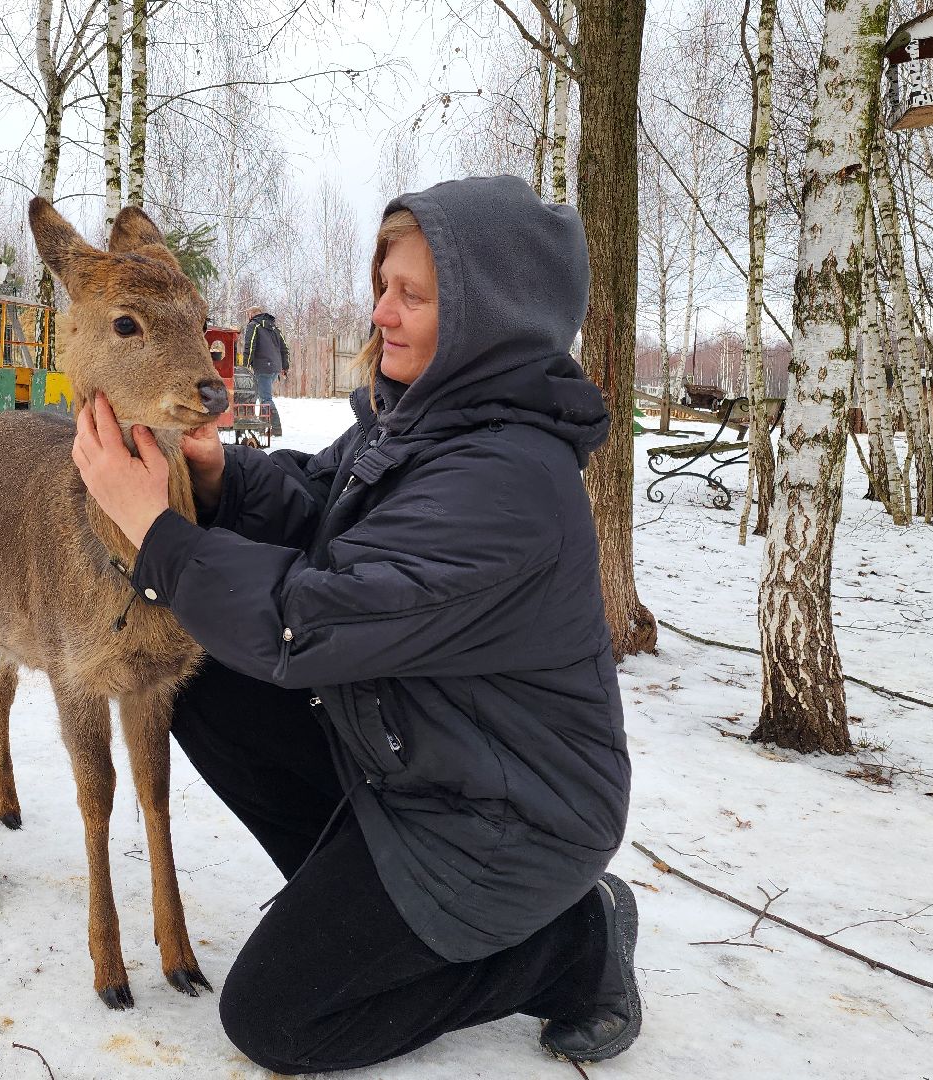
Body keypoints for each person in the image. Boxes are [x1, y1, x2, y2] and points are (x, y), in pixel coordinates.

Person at [72, 174, 637, 1073]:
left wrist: (157, 535)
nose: (383, 313)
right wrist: (222, 478)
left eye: (413, 294)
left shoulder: (508, 482)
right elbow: (320, 503)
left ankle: (569, 945)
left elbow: (308, 620)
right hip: (419, 758)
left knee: (277, 1019)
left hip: (508, 818)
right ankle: (374, 915)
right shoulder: (416, 417)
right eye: (383, 286)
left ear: (493, 315)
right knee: (199, 677)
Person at [239, 304, 290, 435]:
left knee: (266, 398)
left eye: (248, 315)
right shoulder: (275, 328)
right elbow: (285, 348)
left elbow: (249, 347)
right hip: (275, 367)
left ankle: (276, 428)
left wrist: (245, 366)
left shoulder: (253, 326)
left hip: (262, 367)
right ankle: (262, 428)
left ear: (251, 314)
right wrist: (285, 367)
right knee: (262, 397)